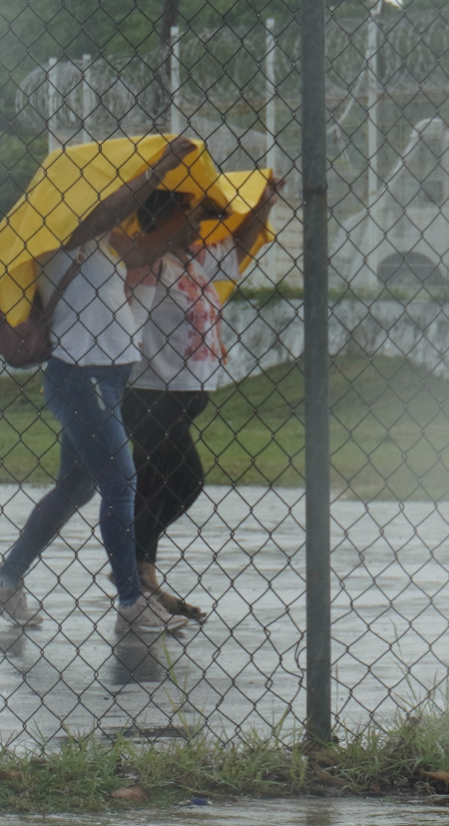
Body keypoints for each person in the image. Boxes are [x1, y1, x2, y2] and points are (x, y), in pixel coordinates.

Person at [0, 137, 207, 634]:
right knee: (121, 481)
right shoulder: (62, 231)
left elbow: (143, 247)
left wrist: (185, 224)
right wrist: (158, 167)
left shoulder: (102, 244)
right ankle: (130, 601)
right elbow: (108, 211)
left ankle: (4, 581)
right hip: (81, 377)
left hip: (107, 377)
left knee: (74, 490)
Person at [121, 175, 285, 622]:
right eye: (188, 214)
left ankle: (140, 588)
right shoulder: (148, 264)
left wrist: (263, 205)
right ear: (165, 217)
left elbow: (236, 251)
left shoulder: (191, 259)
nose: (199, 225)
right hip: (150, 393)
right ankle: (131, 578)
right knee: (186, 479)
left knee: (152, 487)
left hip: (181, 395)